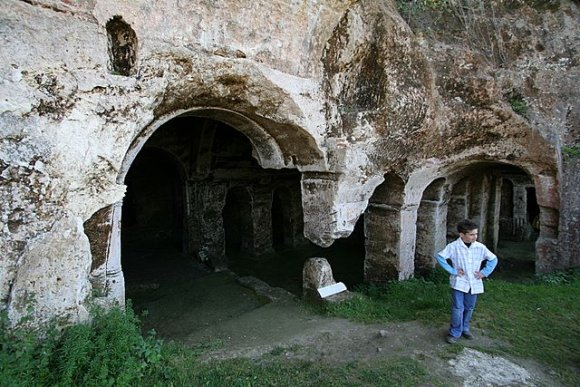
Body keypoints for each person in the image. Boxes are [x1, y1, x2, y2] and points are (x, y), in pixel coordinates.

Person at [436, 219, 498, 344]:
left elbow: (493, 259)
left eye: (476, 234)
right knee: (458, 307)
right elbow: (440, 257)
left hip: (474, 282)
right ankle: (454, 332)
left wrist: (484, 272)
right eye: (471, 234)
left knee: (469, 307)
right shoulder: (453, 247)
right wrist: (453, 271)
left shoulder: (480, 247)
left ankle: (465, 328)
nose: (475, 237)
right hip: (459, 282)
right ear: (462, 235)